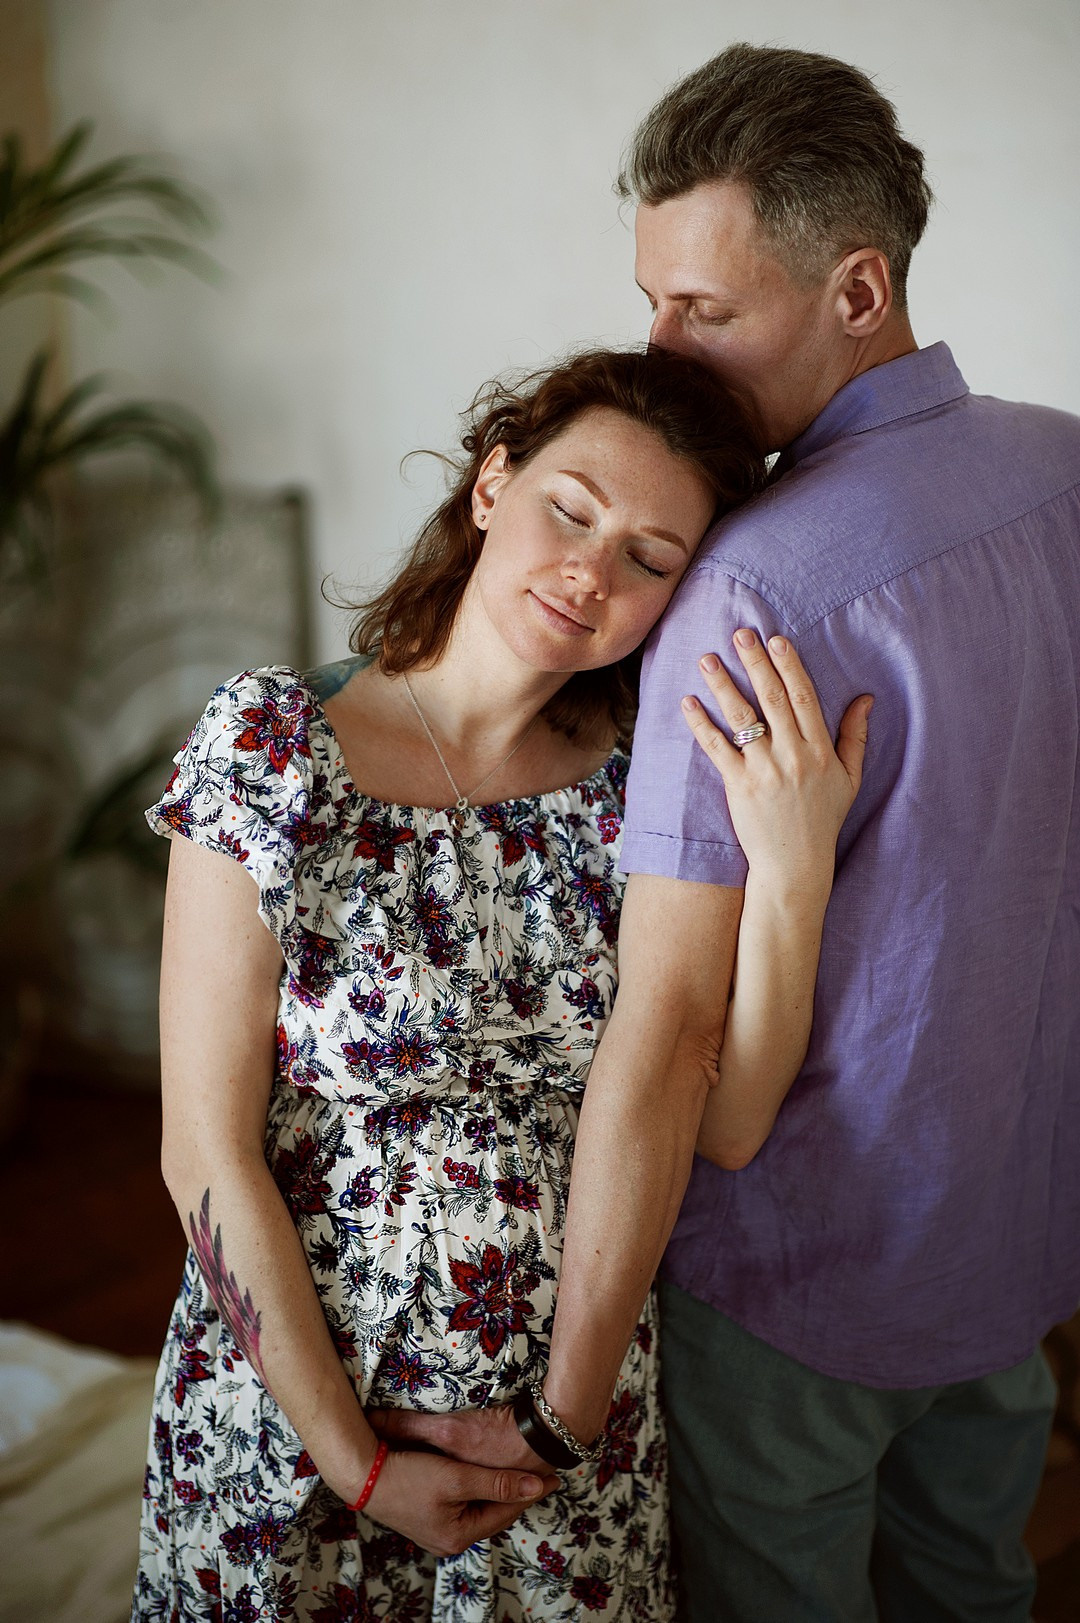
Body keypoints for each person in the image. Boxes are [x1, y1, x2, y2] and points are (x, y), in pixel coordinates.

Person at [383, 43, 1080, 1623]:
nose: (663, 349)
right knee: (974, 1585)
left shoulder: (747, 589)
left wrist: (558, 1413)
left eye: (707, 311)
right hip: (1014, 1238)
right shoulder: (1066, 469)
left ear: (858, 287)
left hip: (802, 1286)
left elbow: (672, 1034)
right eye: (651, 300)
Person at [132, 346, 870, 1621]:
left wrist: (793, 873)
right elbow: (201, 1150)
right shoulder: (269, 745)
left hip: (561, 1441)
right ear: (492, 485)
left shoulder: (645, 788)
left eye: (651, 557)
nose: (590, 570)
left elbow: (731, 1119)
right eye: (568, 508)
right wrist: (355, 1465)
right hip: (296, 1418)